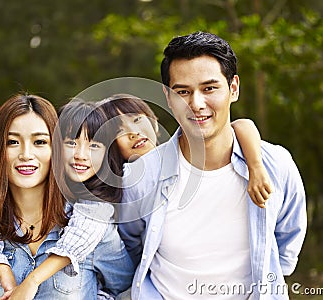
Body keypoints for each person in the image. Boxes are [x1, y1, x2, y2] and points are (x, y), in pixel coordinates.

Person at [118, 32, 307, 300]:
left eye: (209, 88)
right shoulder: (143, 174)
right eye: (183, 91)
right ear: (168, 97)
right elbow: (131, 247)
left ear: (234, 88)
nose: (196, 103)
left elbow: (287, 244)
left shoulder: (275, 165)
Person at [0, 95, 133, 299]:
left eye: (39, 141)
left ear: (55, 148)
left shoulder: (91, 226)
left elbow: (127, 289)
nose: (26, 154)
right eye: (12, 142)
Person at [99, 93, 271, 208]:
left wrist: (255, 167)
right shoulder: (122, 185)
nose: (133, 133)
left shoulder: (180, 156)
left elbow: (241, 125)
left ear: (154, 123)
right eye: (119, 131)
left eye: (136, 119)